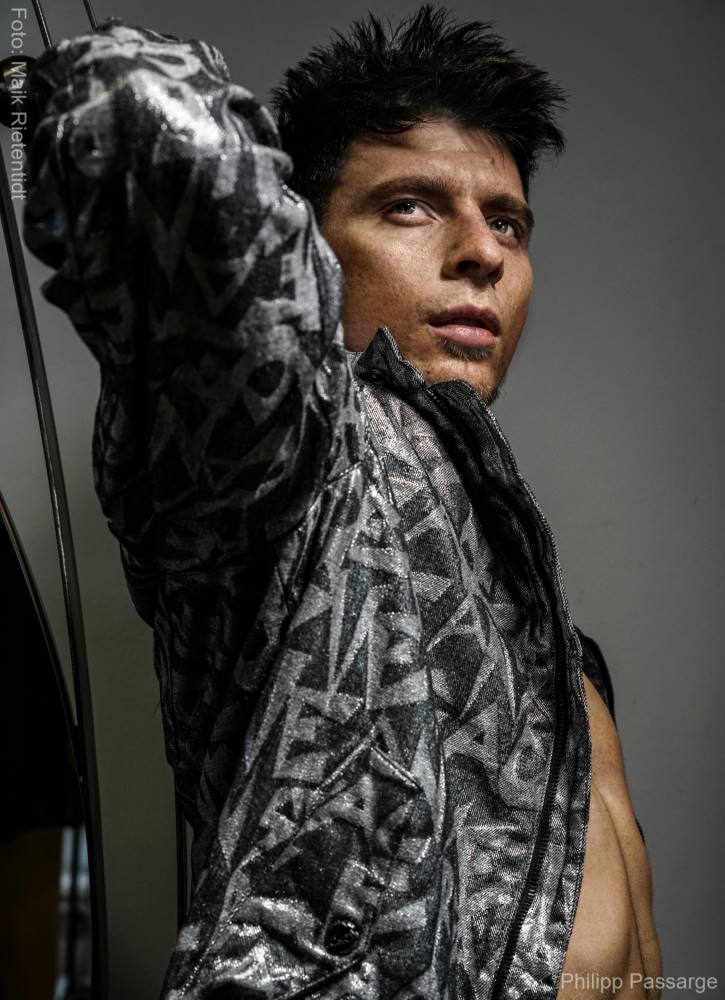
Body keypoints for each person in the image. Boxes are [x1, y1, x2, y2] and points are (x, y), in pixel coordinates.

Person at [23, 5, 662, 998]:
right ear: (307, 252)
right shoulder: (287, 463)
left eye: (506, 221)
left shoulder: (556, 649)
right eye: (409, 206)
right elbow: (127, 104)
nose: (482, 251)